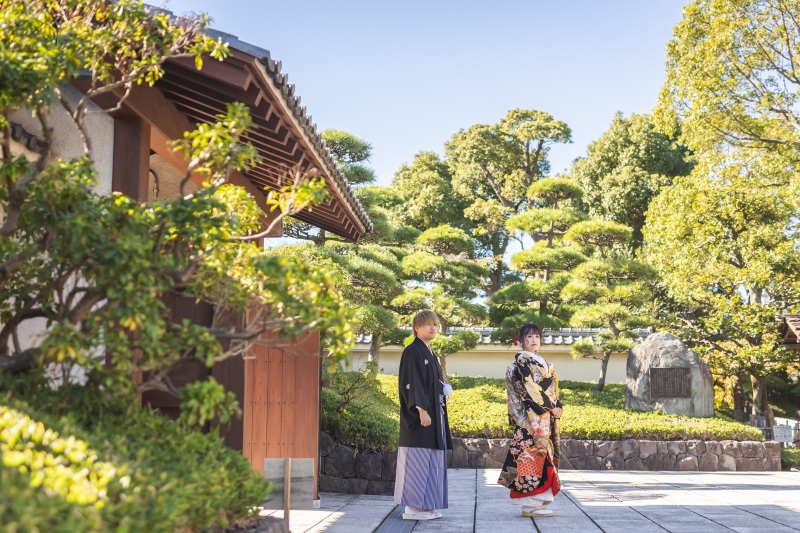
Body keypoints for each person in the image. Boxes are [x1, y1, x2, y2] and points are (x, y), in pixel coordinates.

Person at [497, 322, 562, 518]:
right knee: (529, 457)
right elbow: (529, 390)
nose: (534, 340)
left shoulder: (542, 362)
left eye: (537, 337)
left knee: (543, 457)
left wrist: (558, 406)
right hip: (530, 418)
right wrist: (551, 407)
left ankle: (538, 501)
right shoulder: (520, 364)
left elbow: (552, 389)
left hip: (543, 416)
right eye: (529, 337)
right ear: (521, 341)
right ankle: (529, 504)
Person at [394, 310, 452, 521]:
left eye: (435, 324)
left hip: (434, 415)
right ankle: (412, 508)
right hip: (420, 418)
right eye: (427, 324)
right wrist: (421, 409)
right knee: (417, 459)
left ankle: (426, 505)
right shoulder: (412, 351)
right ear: (416, 328)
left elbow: (430, 381)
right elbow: (412, 381)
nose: (433, 327)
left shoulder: (430, 352)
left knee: (431, 459)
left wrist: (443, 387)